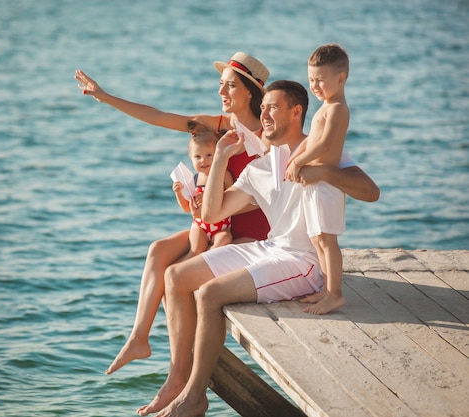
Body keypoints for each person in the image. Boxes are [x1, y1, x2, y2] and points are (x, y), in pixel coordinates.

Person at [138, 80, 378, 417]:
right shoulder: (261, 166)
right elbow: (211, 213)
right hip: (270, 248)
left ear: (296, 112)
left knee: (209, 294)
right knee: (176, 275)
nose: (263, 113)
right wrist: (220, 156)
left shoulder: (322, 150)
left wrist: (322, 171)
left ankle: (195, 396)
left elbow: (370, 191)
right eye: (262, 106)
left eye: (272, 107)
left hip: (304, 262)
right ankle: (177, 379)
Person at [76, 52, 273, 375]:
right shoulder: (219, 127)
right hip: (217, 224)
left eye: (230, 86)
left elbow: (266, 196)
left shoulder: (267, 138)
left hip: (252, 235)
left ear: (250, 91)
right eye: (220, 85)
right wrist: (106, 97)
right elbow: (159, 116)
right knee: (158, 250)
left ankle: (182, 374)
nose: (221, 93)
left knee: (179, 276)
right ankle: (139, 339)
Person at [284, 43, 351, 315]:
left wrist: (299, 160)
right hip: (314, 186)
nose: (315, 86)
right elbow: (311, 139)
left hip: (327, 186)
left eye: (320, 80)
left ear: (341, 78)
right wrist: (296, 154)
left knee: (327, 240)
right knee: (316, 239)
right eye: (311, 80)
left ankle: (335, 294)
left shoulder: (336, 108)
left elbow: (323, 145)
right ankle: (325, 289)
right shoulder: (325, 107)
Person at [173, 120, 234, 260]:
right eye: (197, 157)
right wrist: (178, 193)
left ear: (218, 154)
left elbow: (231, 197)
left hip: (222, 227)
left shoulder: (224, 174)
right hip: (200, 226)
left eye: (209, 155)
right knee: (195, 250)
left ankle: (205, 260)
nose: (203, 161)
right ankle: (181, 269)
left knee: (224, 240)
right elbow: (187, 209)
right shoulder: (193, 180)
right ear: (191, 158)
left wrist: (209, 196)